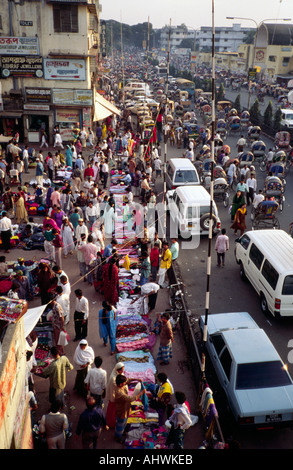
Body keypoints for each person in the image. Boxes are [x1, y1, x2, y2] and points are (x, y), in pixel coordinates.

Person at [114, 374, 145, 443]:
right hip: (122, 410)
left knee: (123, 423)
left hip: (125, 407)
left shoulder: (121, 385)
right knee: (120, 424)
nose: (126, 383)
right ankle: (118, 437)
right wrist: (141, 393)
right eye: (124, 383)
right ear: (121, 384)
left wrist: (137, 379)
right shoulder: (119, 392)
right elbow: (130, 398)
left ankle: (121, 433)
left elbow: (128, 380)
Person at [105, 362, 125, 428]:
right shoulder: (113, 378)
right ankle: (111, 423)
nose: (123, 371)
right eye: (122, 370)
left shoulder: (117, 373)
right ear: (118, 370)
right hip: (113, 396)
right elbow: (115, 389)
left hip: (115, 395)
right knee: (113, 410)